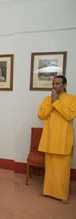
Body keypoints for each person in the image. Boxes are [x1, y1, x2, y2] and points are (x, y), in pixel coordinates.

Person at [38, 75, 76, 203]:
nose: (54, 86)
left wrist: (57, 102)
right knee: (50, 168)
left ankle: (62, 195)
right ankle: (48, 191)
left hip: (63, 139)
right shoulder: (47, 99)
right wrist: (52, 102)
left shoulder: (72, 99)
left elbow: (70, 115)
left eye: (58, 83)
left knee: (63, 170)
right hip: (50, 138)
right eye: (53, 83)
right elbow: (41, 115)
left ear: (64, 85)